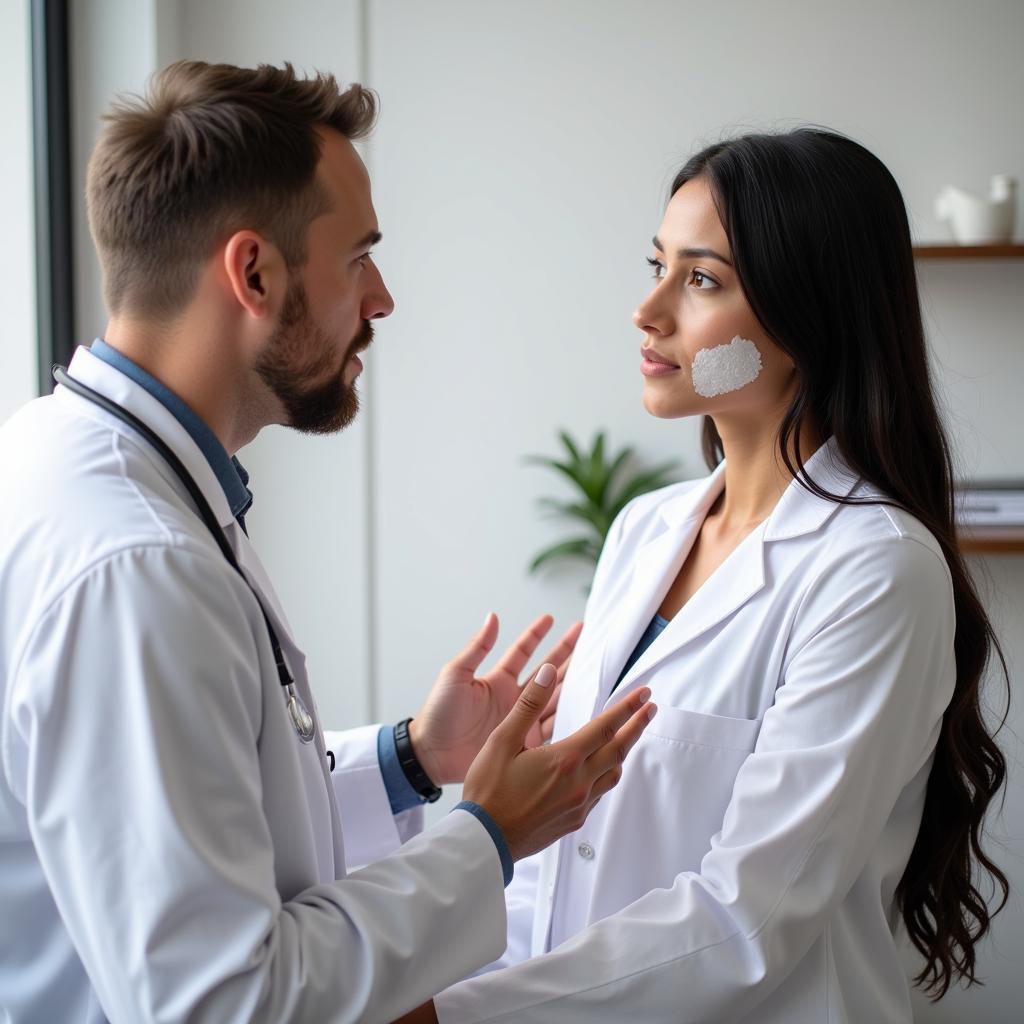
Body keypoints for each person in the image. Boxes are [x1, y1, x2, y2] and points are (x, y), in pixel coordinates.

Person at [0, 62, 658, 1024]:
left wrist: (409, 758)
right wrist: (488, 836)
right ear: (254, 273)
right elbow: (223, 1002)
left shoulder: (74, 458)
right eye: (359, 258)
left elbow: (193, 821)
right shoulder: (137, 567)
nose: (383, 299)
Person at [415, 130, 1010, 1023]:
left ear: (809, 313)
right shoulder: (645, 529)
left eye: (701, 280)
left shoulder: (875, 570)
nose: (648, 311)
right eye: (659, 265)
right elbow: (555, 860)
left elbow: (750, 917)